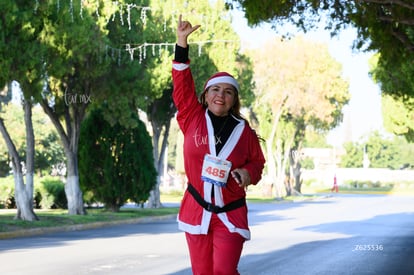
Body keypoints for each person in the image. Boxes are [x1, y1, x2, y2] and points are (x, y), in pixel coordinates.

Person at [172, 15, 266, 275]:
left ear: (234, 97)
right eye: (215, 90)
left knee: (224, 271)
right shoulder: (192, 116)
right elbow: (181, 85)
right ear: (206, 94)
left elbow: (257, 163)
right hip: (197, 208)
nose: (220, 96)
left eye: (228, 91)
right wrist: (182, 43)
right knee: (202, 273)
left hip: (230, 213)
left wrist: (247, 173)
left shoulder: (243, 130)